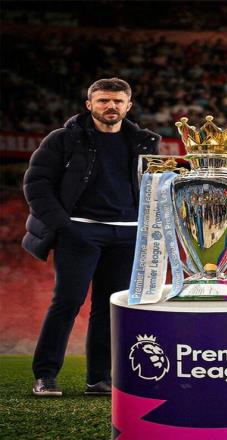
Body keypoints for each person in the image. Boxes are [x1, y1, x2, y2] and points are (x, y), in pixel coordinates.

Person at [22, 78, 160, 396]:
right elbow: (36, 184)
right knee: (67, 302)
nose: (110, 106)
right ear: (89, 104)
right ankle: (45, 375)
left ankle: (99, 378)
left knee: (108, 308)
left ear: (128, 105)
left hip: (127, 233)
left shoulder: (145, 142)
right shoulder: (63, 139)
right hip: (80, 230)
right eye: (103, 100)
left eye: (117, 101)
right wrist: (64, 226)